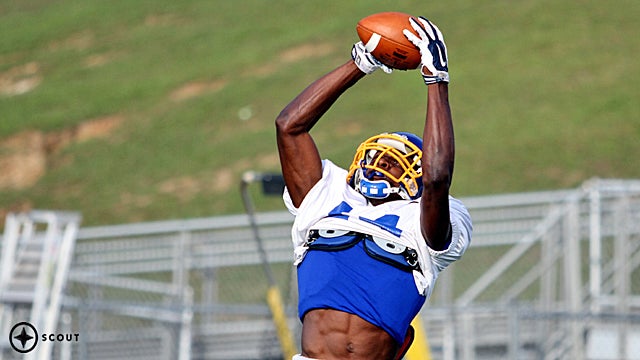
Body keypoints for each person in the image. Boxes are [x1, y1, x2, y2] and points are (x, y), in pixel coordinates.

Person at [275, 16, 472, 360]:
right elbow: (289, 126)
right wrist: (360, 63)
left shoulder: (420, 221)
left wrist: (436, 81)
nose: (379, 166)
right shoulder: (326, 196)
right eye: (375, 157)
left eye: (393, 163)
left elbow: (438, 178)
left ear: (416, 177)